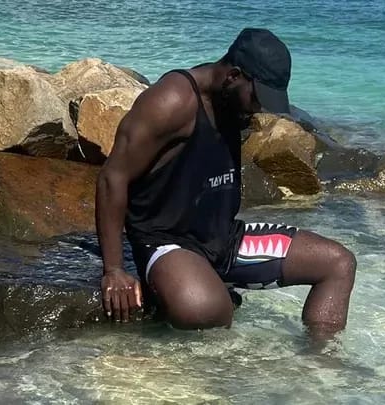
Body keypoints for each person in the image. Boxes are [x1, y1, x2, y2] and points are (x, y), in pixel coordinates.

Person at [95, 28, 356, 337]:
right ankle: (204, 287)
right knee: (206, 310)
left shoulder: (231, 102)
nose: (259, 108)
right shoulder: (173, 101)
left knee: (338, 264)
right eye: (256, 97)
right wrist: (114, 270)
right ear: (233, 76)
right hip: (167, 242)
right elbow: (113, 177)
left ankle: (320, 359)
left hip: (224, 240)